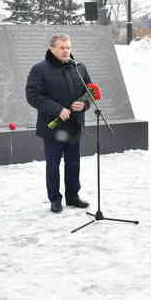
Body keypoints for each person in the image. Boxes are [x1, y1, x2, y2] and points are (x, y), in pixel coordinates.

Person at [25, 34, 92, 213]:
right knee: (53, 165)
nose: (66, 51)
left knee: (73, 163)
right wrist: (57, 109)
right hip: (53, 126)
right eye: (62, 48)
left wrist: (83, 104)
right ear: (51, 49)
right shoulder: (39, 69)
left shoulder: (79, 68)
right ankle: (55, 199)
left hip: (74, 125)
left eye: (68, 47)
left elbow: (90, 91)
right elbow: (33, 96)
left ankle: (73, 196)